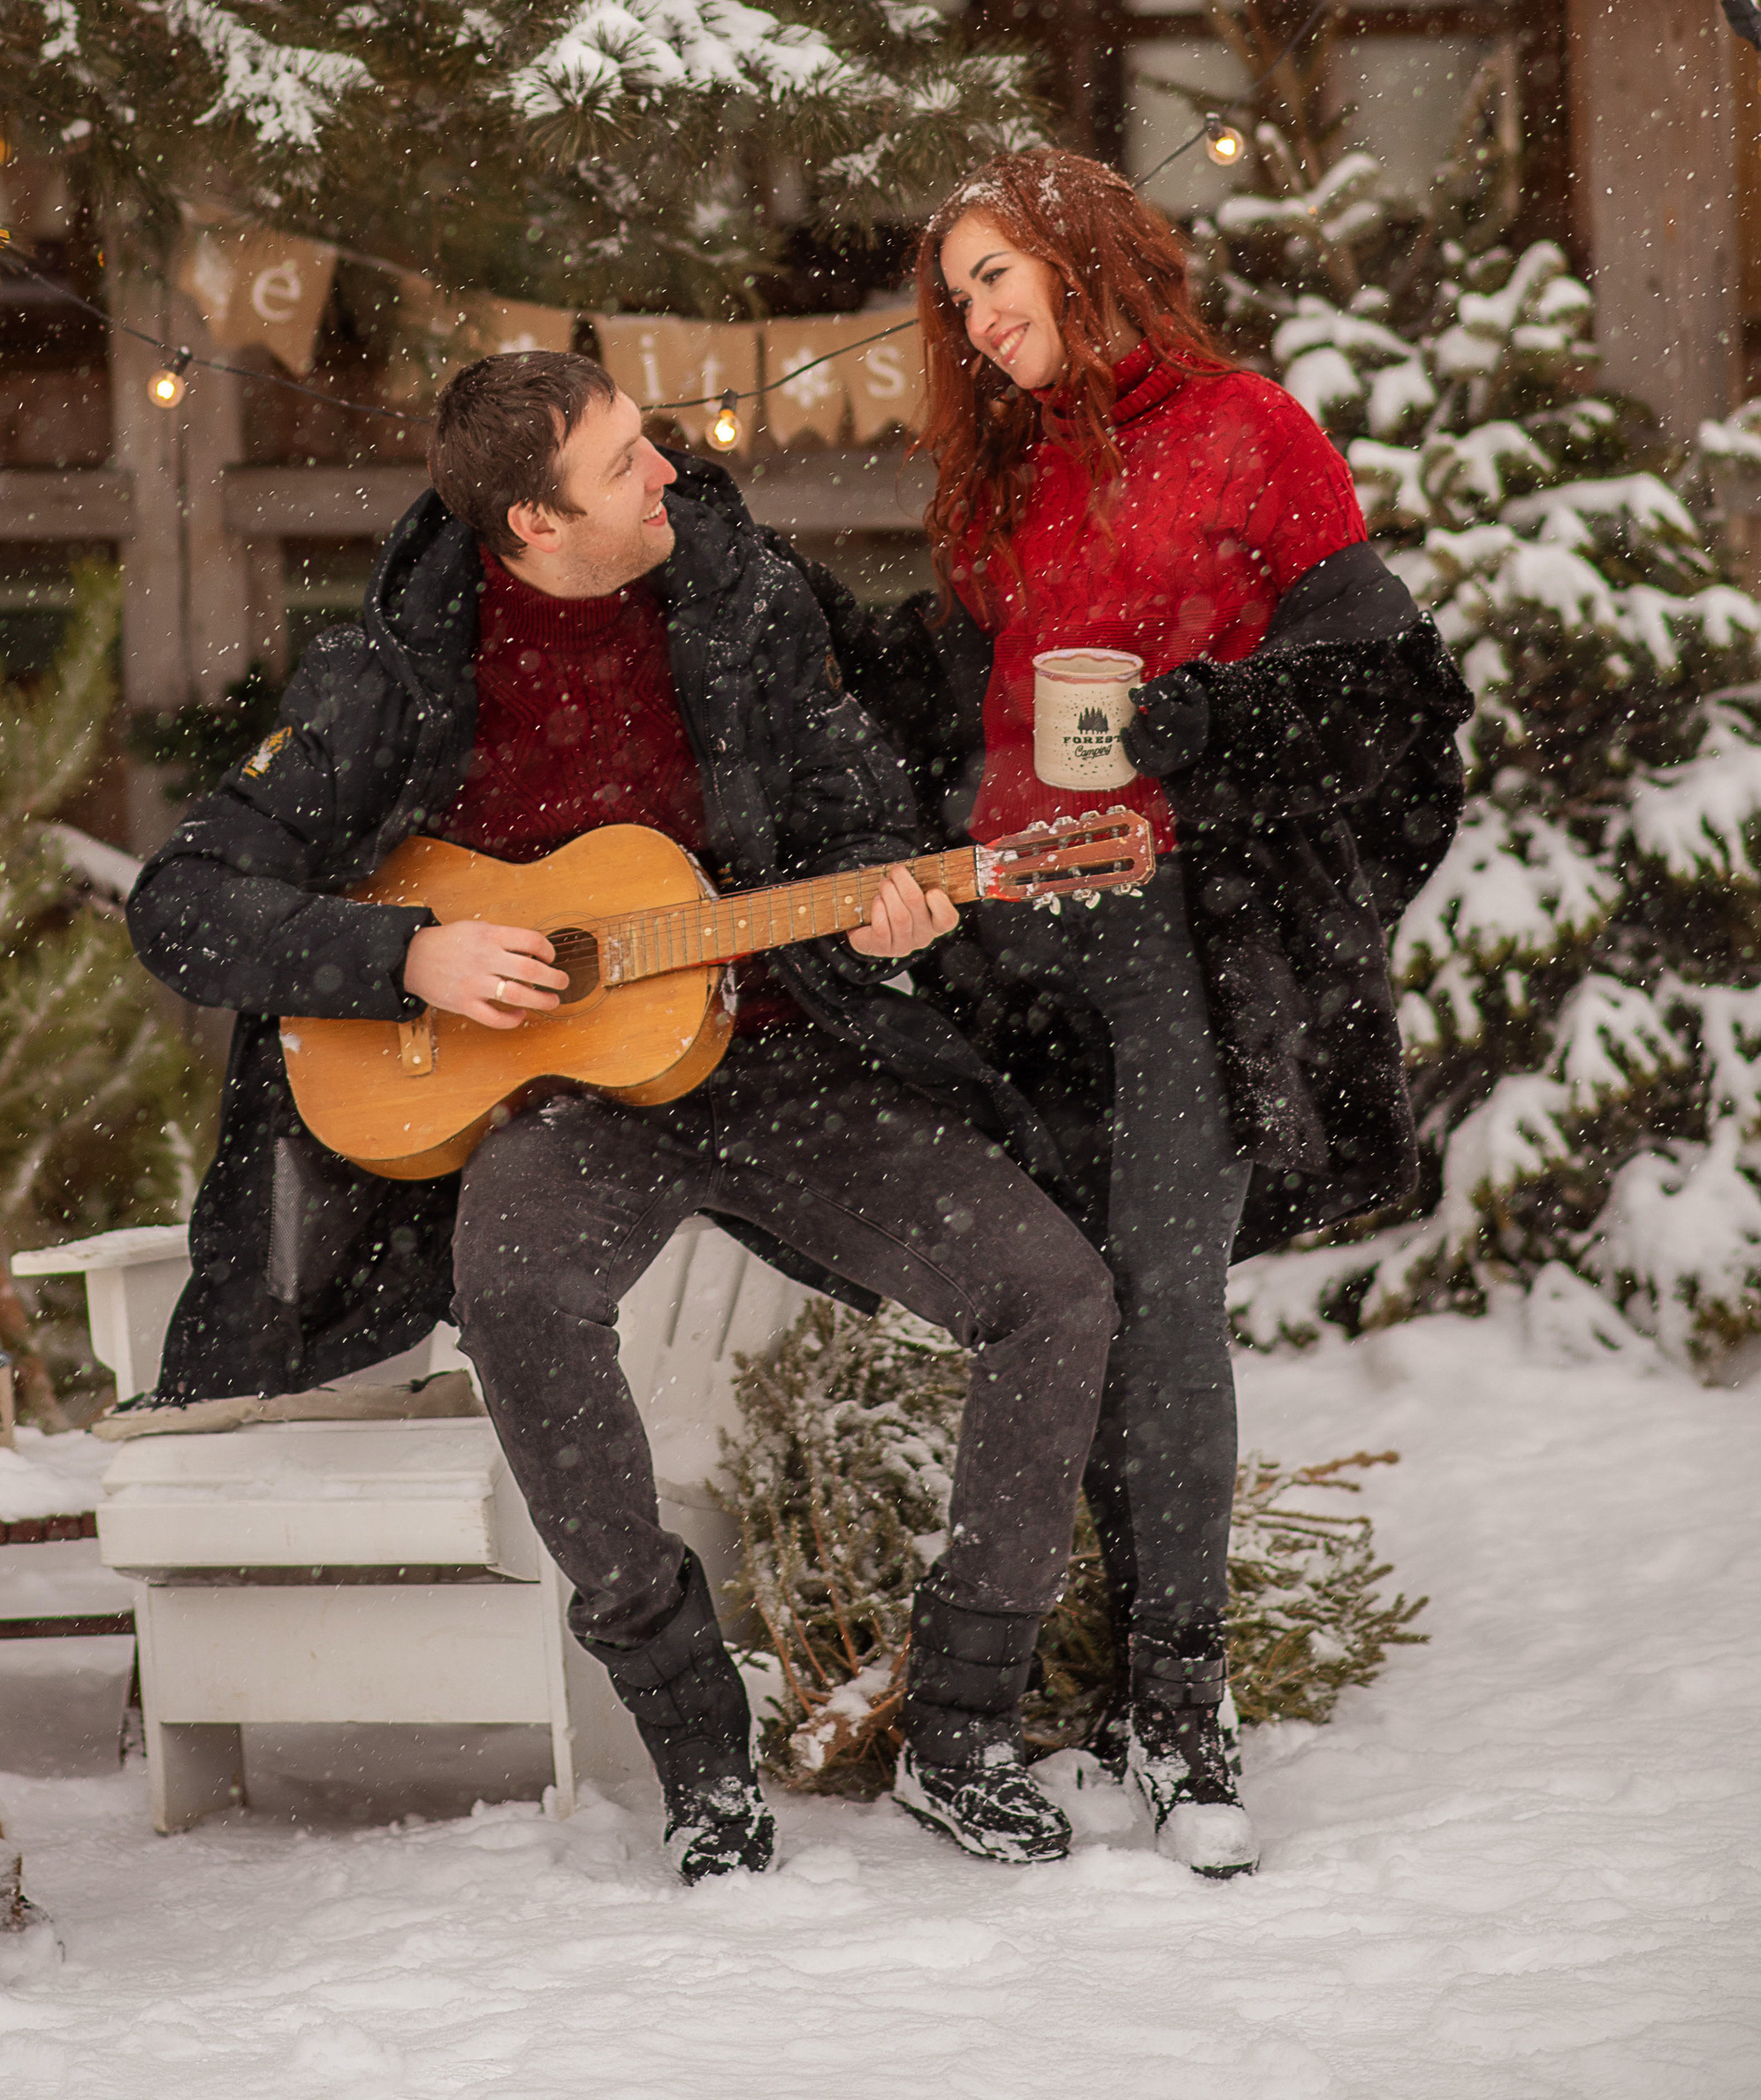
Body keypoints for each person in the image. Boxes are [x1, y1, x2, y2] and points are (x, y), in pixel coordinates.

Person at [123, 350, 1119, 1882]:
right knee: (514, 1290)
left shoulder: (746, 601)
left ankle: (965, 1725)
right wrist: (410, 954)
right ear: (532, 517)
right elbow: (183, 903)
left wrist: (899, 902)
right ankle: (698, 1748)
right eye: (623, 463)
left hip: (777, 1052)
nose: (669, 470)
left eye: (651, 443)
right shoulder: (396, 668)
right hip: (573, 1094)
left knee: (1055, 1292)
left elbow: (857, 811)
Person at [810, 150, 1469, 1878]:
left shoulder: (1248, 428)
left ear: (1081, 254)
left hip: (1172, 928)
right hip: (1008, 946)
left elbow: (1389, 697)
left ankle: (1181, 1718)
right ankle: (1071, 1696)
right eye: (952, 295)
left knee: (1165, 1298)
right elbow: (938, 697)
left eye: (991, 275)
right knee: (1070, 1306)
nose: (971, 315)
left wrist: (1192, 727)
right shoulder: (1001, 481)